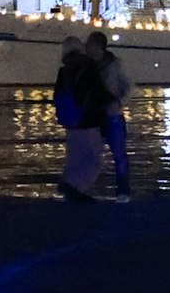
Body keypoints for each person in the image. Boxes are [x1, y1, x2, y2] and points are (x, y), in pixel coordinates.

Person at [51, 36, 109, 202]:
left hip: (71, 121)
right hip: (88, 120)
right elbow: (98, 91)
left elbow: (57, 95)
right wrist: (114, 101)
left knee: (75, 157)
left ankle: (68, 184)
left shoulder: (64, 70)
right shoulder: (89, 66)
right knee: (95, 159)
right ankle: (76, 188)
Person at [90, 28, 136, 200]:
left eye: (90, 45)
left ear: (97, 47)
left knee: (118, 154)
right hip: (95, 115)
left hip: (111, 114)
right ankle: (87, 189)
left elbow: (129, 85)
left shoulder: (115, 65)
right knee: (92, 153)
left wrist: (119, 102)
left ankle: (123, 190)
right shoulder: (89, 66)